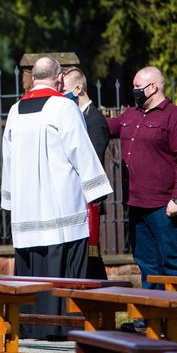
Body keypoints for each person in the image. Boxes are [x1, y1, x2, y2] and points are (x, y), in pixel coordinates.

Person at [1, 56, 113, 339]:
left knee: (31, 265)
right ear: (59, 78)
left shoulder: (15, 110)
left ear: (33, 78)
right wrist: (96, 191)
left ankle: (29, 325)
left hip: (27, 207)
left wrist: (11, 200)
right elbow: (81, 150)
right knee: (63, 264)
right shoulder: (64, 107)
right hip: (60, 203)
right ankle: (62, 325)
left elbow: (8, 157)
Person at [107, 66, 177, 290]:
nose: (134, 91)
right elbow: (104, 128)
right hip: (136, 204)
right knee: (147, 263)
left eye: (138, 87)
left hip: (165, 206)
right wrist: (81, 106)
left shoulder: (176, 117)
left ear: (153, 87)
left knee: (173, 261)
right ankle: (151, 320)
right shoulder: (130, 115)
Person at [62, 67, 108, 279]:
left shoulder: (94, 120)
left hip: (87, 201)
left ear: (78, 88)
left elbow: (93, 161)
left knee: (90, 257)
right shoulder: (70, 117)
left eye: (64, 90)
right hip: (72, 202)